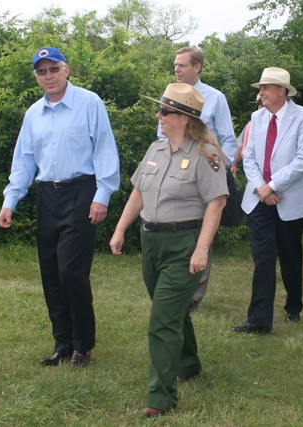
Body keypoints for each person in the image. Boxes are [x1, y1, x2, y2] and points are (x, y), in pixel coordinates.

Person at [0, 47, 120, 367]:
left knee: (71, 273)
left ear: (66, 70)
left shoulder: (89, 103)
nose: (48, 76)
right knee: (51, 272)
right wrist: (10, 201)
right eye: (41, 71)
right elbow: (23, 162)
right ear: (36, 76)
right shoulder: (33, 114)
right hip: (47, 197)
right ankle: (62, 344)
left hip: (82, 192)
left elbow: (105, 150)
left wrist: (102, 195)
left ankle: (83, 345)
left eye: (54, 69)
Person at [110, 83, 228, 417]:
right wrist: (121, 229)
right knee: (170, 309)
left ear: (185, 118)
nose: (159, 116)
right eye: (160, 109)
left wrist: (201, 250)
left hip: (184, 243)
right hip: (152, 243)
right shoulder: (155, 150)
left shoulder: (206, 154)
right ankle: (188, 363)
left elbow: (216, 204)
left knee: (162, 320)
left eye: (165, 111)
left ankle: (160, 399)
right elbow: (138, 193)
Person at [232, 67, 303, 334]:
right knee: (263, 260)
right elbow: (249, 155)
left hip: (289, 199)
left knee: (290, 257)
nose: (261, 92)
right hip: (259, 199)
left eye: (266, 87)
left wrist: (273, 186)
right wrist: (261, 188)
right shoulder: (256, 118)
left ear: (282, 90)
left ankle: (294, 305)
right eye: (260, 88)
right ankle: (258, 321)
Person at [158, 46, 237, 311]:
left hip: (203, 170)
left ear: (197, 67)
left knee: (203, 227)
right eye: (175, 65)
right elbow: (162, 133)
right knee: (174, 222)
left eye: (181, 65)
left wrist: (224, 166)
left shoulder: (215, 98)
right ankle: (170, 280)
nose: (176, 69)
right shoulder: (170, 94)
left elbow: (227, 138)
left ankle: (194, 295)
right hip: (173, 169)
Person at [231, 95, 263, 175]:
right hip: (253, 168)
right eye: (260, 104)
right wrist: (234, 164)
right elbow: (240, 145)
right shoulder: (251, 125)